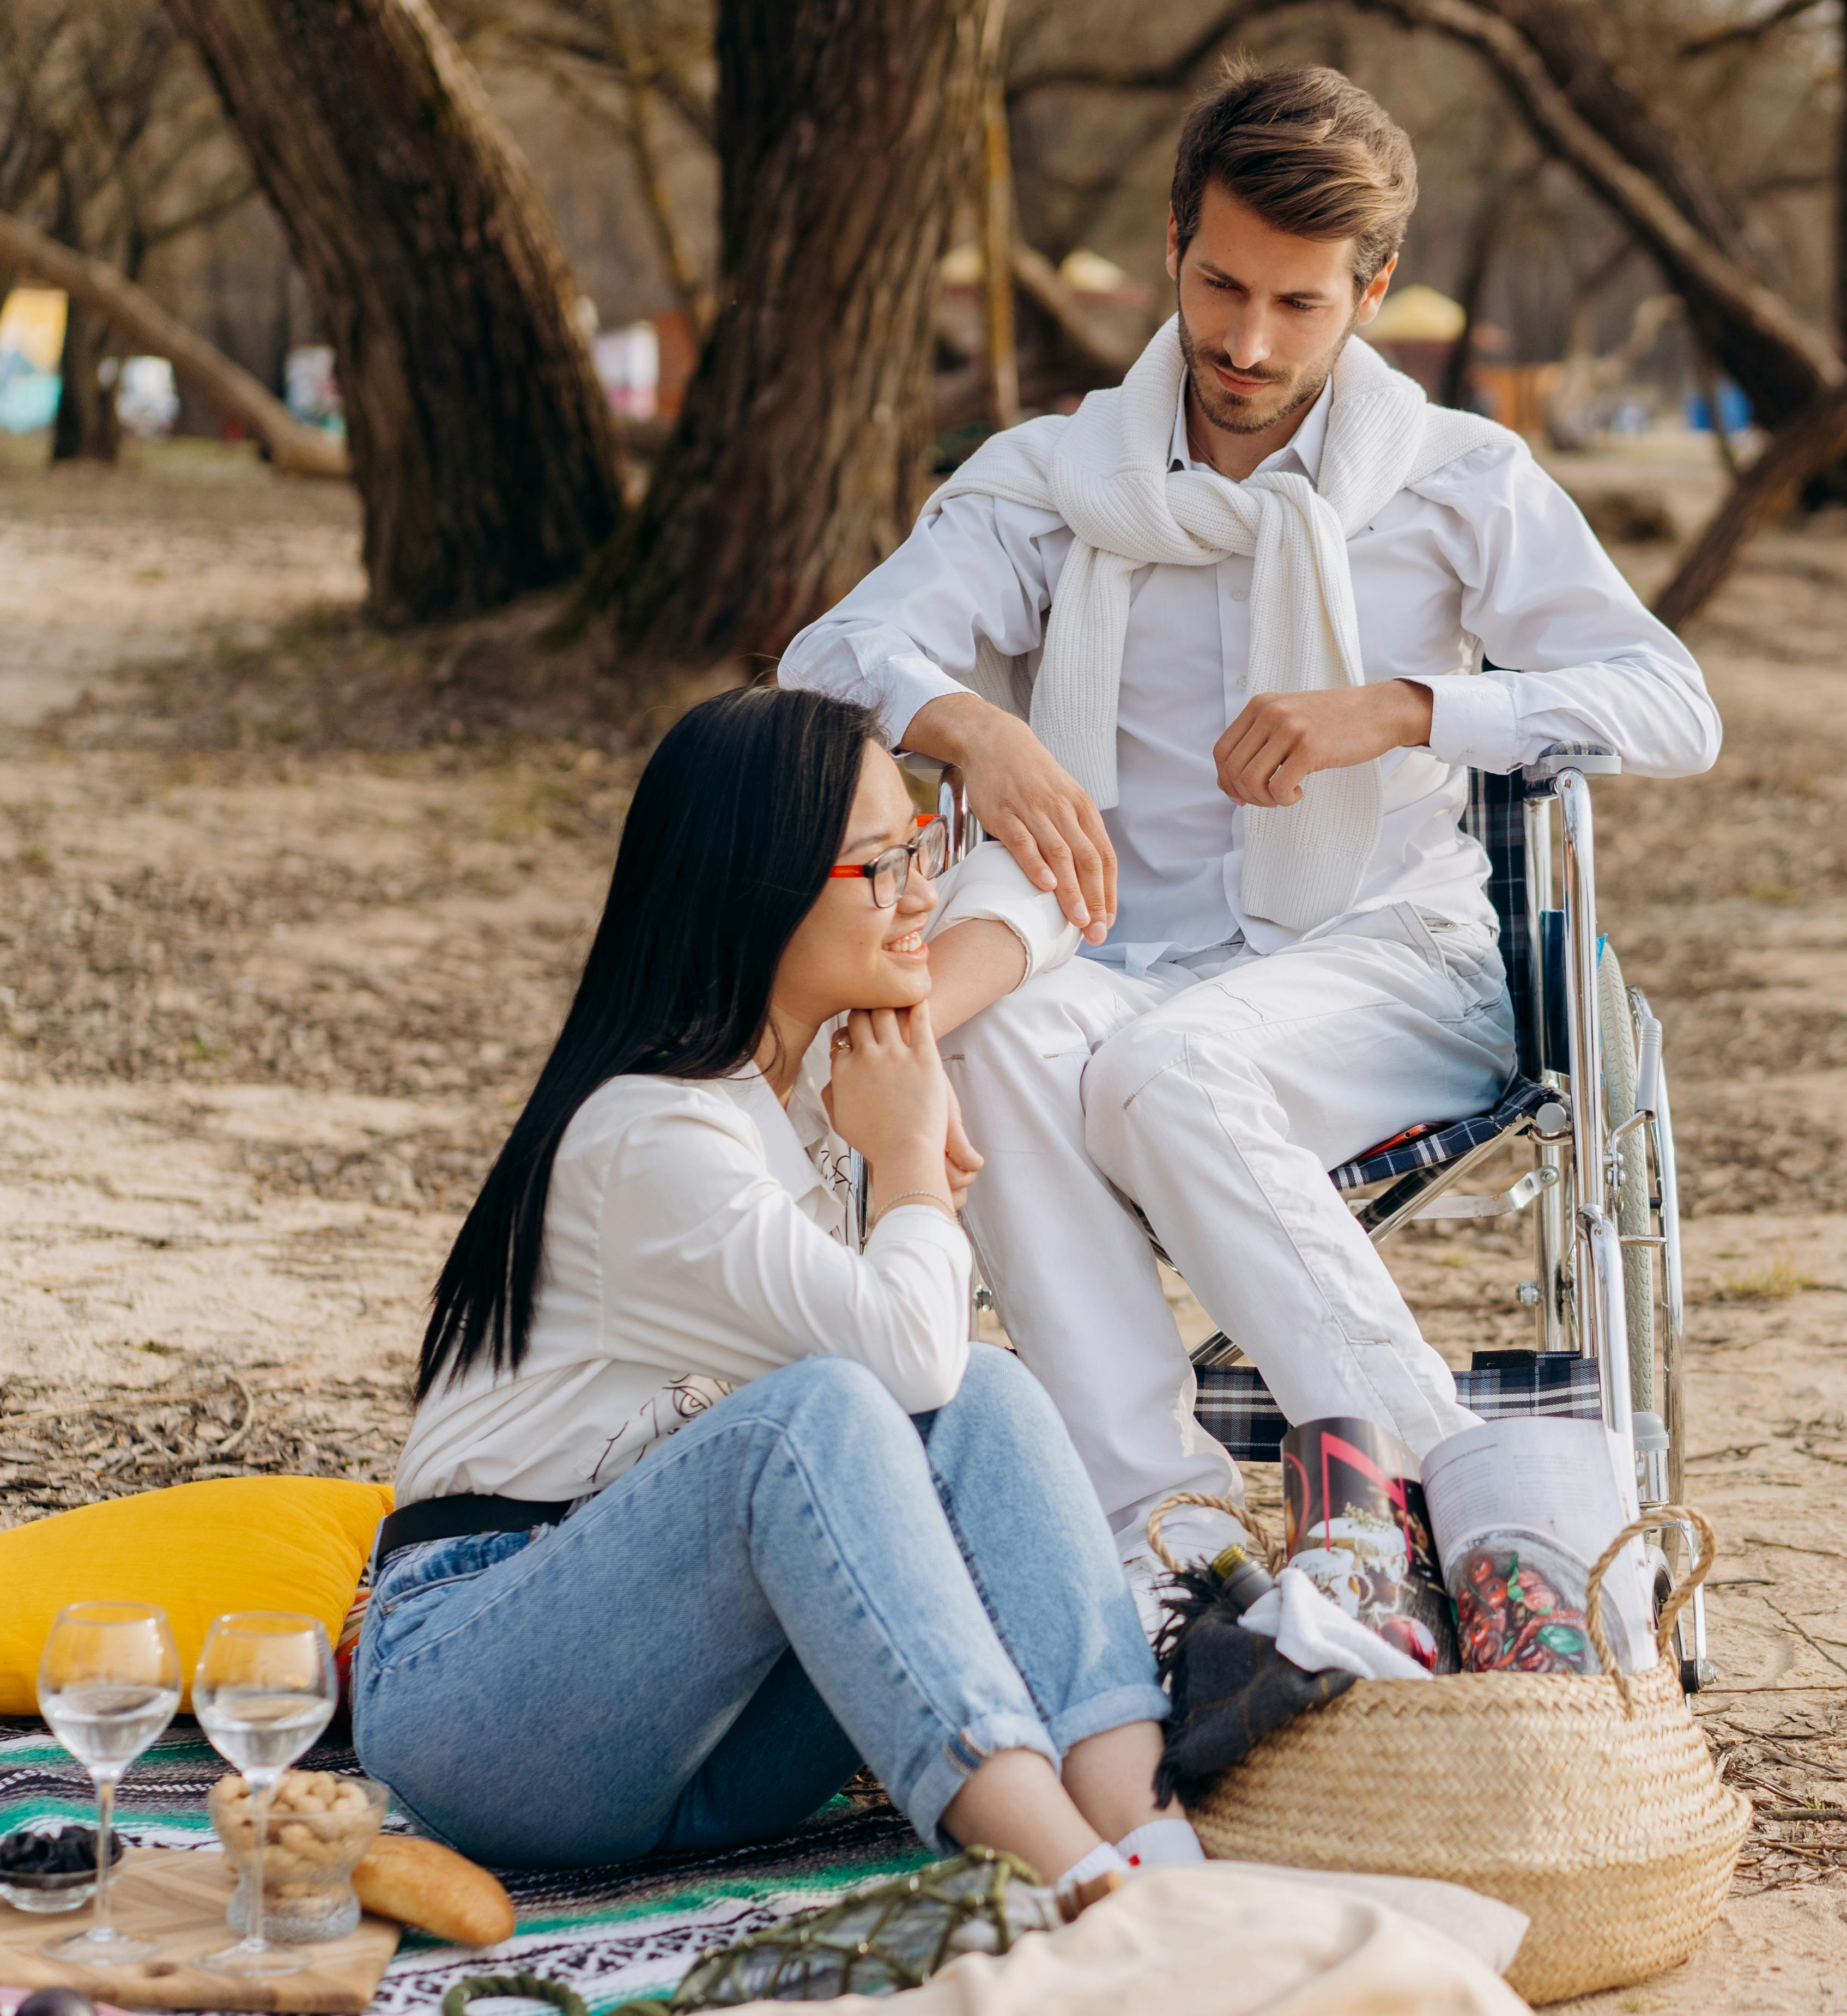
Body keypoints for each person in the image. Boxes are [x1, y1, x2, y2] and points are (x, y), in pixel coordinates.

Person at [780, 64, 1722, 1607]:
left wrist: (1414, 709)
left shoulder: (1457, 481)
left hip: (1381, 962)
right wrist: (976, 727)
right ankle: (1180, 1546)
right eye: (1220, 285)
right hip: (1114, 952)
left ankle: (1462, 1512)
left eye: (1299, 303)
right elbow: (831, 656)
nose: (1247, 342)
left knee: (1169, 1068)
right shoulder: (1053, 483)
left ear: (1375, 289)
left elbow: (1675, 706)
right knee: (994, 1042)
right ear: (1172, 244)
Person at [354, 686, 1186, 1909]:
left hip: (704, 1735)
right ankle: (1078, 1887)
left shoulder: (814, 1082)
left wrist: (920, 1019)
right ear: (757, 880)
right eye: (884, 863)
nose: (920, 891)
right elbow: (904, 1360)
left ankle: (1155, 1848)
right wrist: (909, 1153)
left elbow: (1047, 897)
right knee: (826, 1413)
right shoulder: (652, 1131)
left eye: (923, 847)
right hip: (485, 1700)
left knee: (991, 1395)